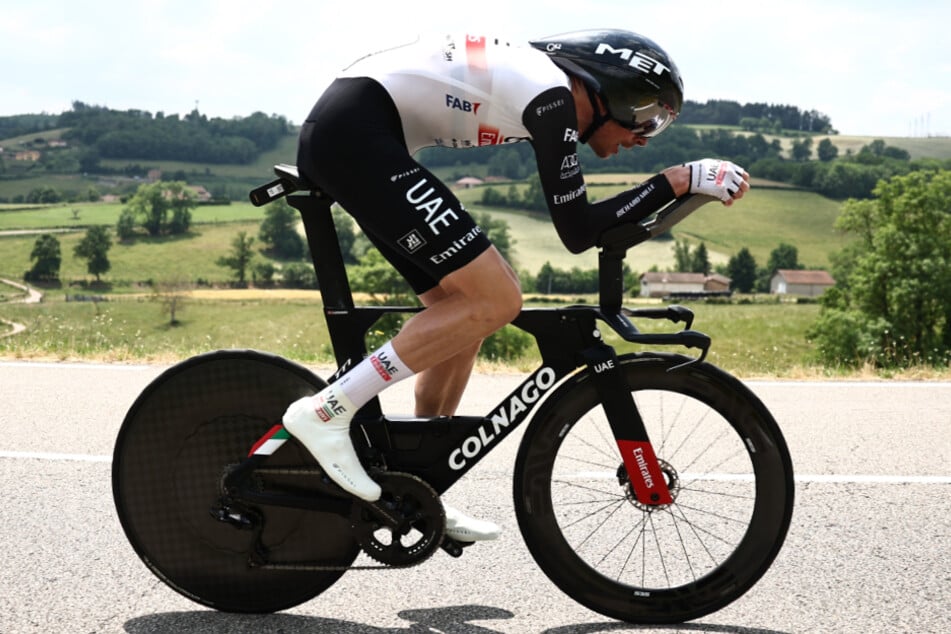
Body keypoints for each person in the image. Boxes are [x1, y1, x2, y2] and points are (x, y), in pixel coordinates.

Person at [282, 29, 750, 542]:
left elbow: (581, 225)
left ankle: (414, 482)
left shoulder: (545, 93)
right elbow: (578, 231)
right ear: (607, 92)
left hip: (357, 134)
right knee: (496, 300)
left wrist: (674, 186)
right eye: (646, 117)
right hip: (353, 136)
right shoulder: (552, 99)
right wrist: (676, 181)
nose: (643, 135)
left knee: (465, 316)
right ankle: (329, 410)